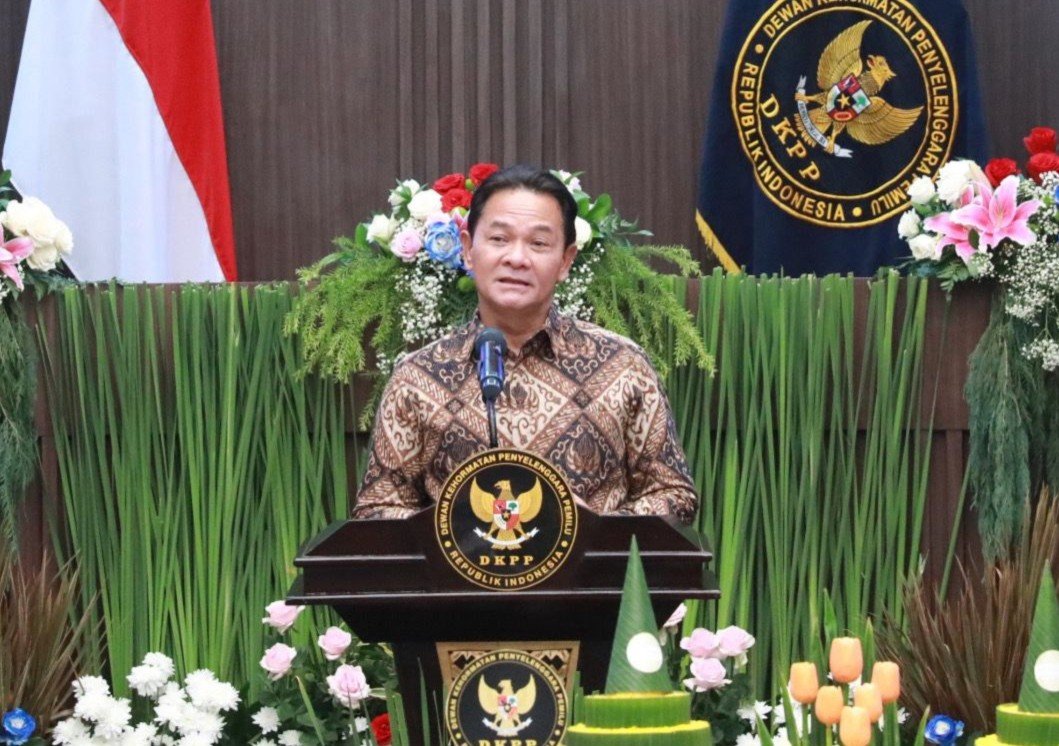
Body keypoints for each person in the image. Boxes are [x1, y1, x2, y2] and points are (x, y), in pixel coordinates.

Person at [351, 165, 698, 523]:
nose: (516, 258)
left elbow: (673, 496)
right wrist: (452, 530)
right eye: (499, 239)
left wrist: (592, 529)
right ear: (468, 250)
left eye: (538, 243)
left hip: (593, 561)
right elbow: (376, 509)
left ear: (565, 261)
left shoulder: (623, 365)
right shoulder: (417, 377)